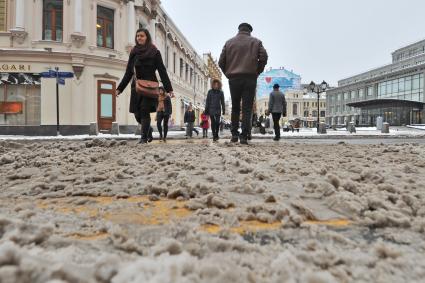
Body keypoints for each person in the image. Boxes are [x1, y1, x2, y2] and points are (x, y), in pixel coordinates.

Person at [116, 28, 173, 144]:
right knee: (137, 114)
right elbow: (128, 72)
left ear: (147, 37)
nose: (139, 38)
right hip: (136, 87)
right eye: (137, 36)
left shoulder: (154, 52)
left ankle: (143, 139)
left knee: (144, 111)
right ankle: (148, 130)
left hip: (149, 87)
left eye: (141, 36)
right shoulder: (134, 52)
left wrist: (169, 88)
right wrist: (119, 89)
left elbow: (162, 70)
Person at [219, 23, 268, 145]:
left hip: (234, 79)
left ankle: (234, 134)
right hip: (250, 78)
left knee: (235, 107)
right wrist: (257, 71)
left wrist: (228, 74)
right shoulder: (256, 42)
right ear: (250, 31)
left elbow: (221, 62)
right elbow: (264, 57)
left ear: (239, 30)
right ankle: (244, 136)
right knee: (247, 108)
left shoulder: (229, 42)